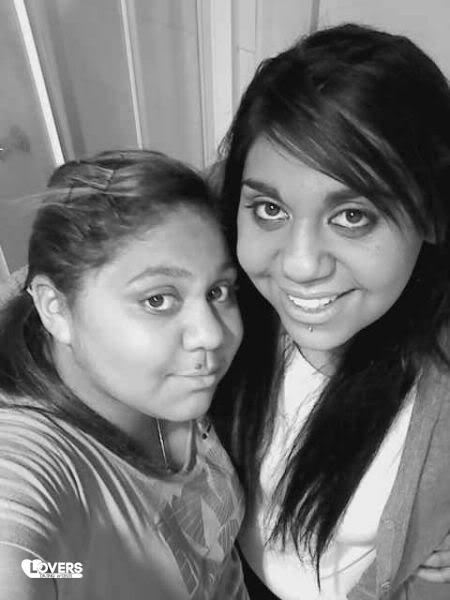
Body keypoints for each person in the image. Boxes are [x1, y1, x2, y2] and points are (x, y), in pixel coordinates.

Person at [213, 23, 450, 599]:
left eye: (352, 216)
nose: (299, 265)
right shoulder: (214, 302)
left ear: (430, 215)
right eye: (269, 209)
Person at [0, 149, 248, 599]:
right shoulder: (31, 458)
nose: (212, 335)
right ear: (54, 309)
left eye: (218, 291)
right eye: (157, 300)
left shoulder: (171, 379)